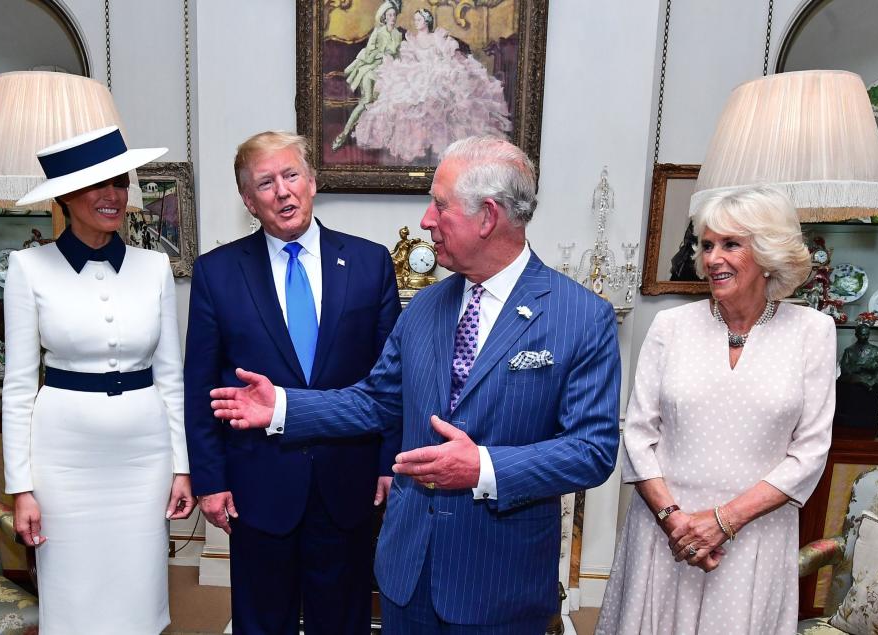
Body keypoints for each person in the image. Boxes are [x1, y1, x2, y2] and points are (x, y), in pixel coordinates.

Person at [210, 136, 621, 634]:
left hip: (498, 582)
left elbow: (591, 451)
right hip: (408, 574)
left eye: (440, 205)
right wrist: (283, 408)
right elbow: (376, 401)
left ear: (487, 216)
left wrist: (484, 467)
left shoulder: (580, 316)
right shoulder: (426, 308)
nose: (426, 219)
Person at [183, 130, 401, 634]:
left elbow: (392, 383)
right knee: (262, 621)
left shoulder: (370, 264)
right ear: (248, 201)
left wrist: (389, 461)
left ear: (312, 181)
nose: (282, 191)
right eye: (265, 182)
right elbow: (200, 387)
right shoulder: (217, 273)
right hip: (257, 483)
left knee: (343, 619)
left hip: (348, 481)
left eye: (291, 175)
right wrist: (210, 480)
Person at [595, 185, 836, 634]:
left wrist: (724, 521)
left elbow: (810, 452)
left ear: (767, 254)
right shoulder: (670, 326)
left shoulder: (812, 332)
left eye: (730, 244)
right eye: (706, 245)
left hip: (753, 539)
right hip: (665, 534)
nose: (712, 258)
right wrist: (675, 521)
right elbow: (638, 433)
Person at [2, 126, 195, 634]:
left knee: (139, 592)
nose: (112, 196)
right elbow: (20, 388)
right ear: (65, 195)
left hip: (143, 458)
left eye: (119, 182)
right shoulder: (27, 268)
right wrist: (21, 488)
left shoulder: (154, 267)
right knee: (73, 596)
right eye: (96, 185)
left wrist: (181, 466)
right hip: (63, 462)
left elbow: (171, 377)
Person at [354, 9, 511, 163]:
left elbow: (446, 55)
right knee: (402, 97)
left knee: (440, 92)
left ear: (427, 21)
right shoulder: (412, 40)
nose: (416, 23)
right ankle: (414, 141)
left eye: (419, 20)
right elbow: (409, 60)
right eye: (415, 20)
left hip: (436, 72)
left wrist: (439, 66)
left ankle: (436, 141)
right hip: (418, 74)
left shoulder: (437, 37)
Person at [332, 0, 403, 151]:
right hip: (371, 70)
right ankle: (344, 134)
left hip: (389, 72)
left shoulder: (397, 34)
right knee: (366, 101)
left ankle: (381, 137)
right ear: (384, 17)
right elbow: (369, 50)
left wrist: (396, 60)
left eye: (394, 15)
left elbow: (398, 54)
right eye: (389, 15)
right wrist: (382, 55)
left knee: (390, 102)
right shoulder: (378, 32)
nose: (392, 17)